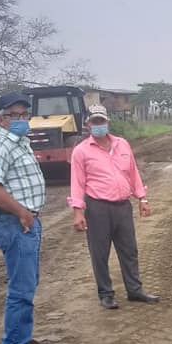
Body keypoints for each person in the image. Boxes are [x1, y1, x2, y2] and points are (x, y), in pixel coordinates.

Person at [0, 91, 49, 344]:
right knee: (21, 288)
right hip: (14, 222)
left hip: (26, 221)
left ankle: (22, 338)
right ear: (1, 119)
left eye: (24, 114)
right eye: (13, 115)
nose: (21, 119)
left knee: (28, 283)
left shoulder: (20, 143)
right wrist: (21, 212)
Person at [69, 104, 159, 309]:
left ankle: (134, 290)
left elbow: (133, 173)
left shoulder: (122, 144)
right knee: (100, 253)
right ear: (88, 125)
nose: (98, 125)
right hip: (97, 207)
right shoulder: (81, 151)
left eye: (101, 121)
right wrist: (77, 211)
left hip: (122, 206)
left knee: (129, 250)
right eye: (94, 122)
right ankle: (106, 294)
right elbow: (77, 183)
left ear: (107, 122)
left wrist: (142, 198)